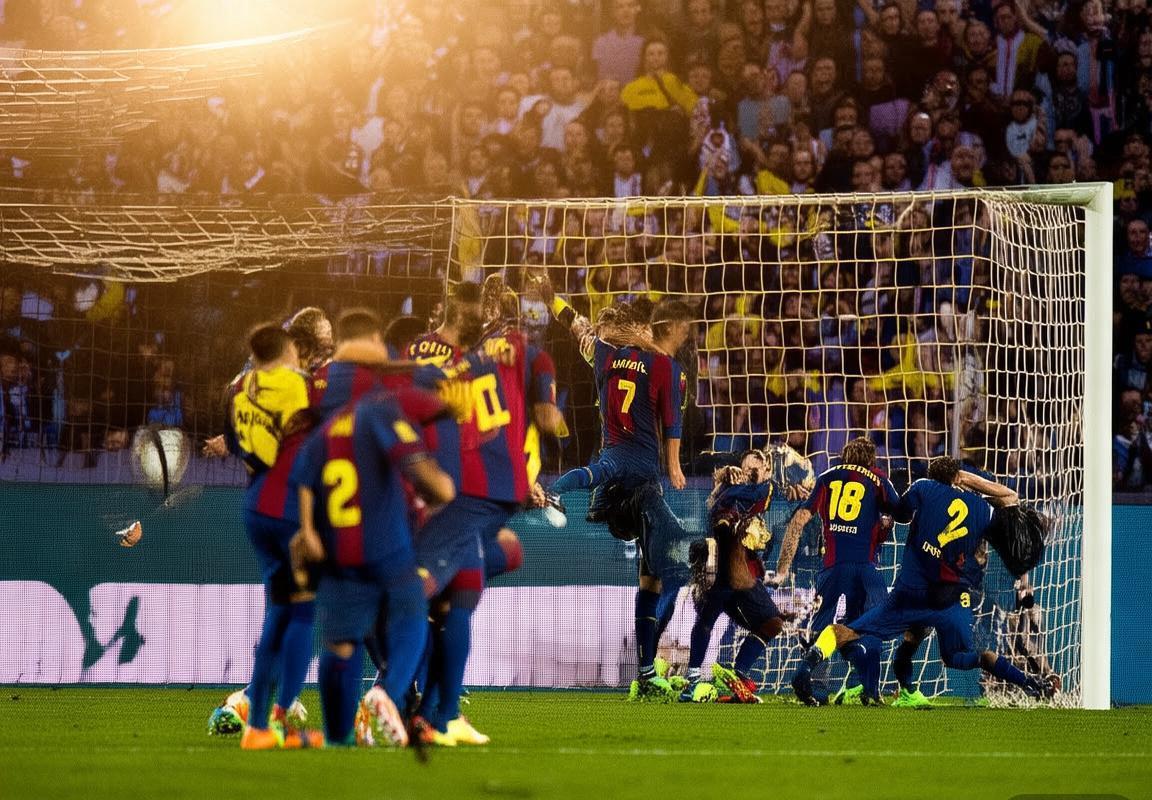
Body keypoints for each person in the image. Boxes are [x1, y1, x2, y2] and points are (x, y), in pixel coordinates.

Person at [791, 457, 1058, 705]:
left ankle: (806, 668)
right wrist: (964, 479)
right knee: (964, 656)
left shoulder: (924, 487)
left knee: (844, 631)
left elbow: (901, 513)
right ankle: (1032, 683)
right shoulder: (981, 508)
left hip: (910, 593)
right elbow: (1011, 497)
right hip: (950, 601)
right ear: (956, 478)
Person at [408, 329, 563, 744]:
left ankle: (433, 711)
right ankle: (398, 694)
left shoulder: (451, 373)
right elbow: (546, 413)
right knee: (432, 595)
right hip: (461, 497)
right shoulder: (496, 368)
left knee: (461, 590)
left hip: (457, 496)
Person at [290, 390, 455, 747]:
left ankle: (339, 735)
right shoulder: (378, 417)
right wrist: (442, 488)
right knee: (413, 617)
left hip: (340, 555)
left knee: (340, 644)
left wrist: (307, 532)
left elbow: (303, 485)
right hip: (384, 548)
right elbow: (429, 481)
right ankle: (388, 692)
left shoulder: (322, 435)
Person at [226, 324, 324, 750]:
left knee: (280, 611)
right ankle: (281, 719)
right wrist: (308, 524)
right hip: (287, 504)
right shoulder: (298, 384)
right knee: (303, 611)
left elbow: (239, 448)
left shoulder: (237, 388)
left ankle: (258, 726)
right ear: (288, 350)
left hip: (255, 503)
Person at [772, 436, 900, 704]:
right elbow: (902, 512)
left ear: (845, 456)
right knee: (869, 626)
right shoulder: (878, 479)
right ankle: (866, 688)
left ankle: (816, 688)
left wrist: (782, 569)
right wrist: (886, 522)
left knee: (822, 625)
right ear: (871, 460)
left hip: (832, 567)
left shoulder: (827, 477)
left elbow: (798, 521)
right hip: (866, 568)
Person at [680, 452, 795, 703]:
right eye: (747, 468)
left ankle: (726, 675)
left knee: (765, 623)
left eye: (756, 468)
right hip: (729, 572)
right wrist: (726, 488)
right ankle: (698, 679)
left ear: (766, 469)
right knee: (711, 620)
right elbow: (718, 508)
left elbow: (757, 496)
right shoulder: (736, 492)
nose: (751, 472)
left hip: (739, 575)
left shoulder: (757, 494)